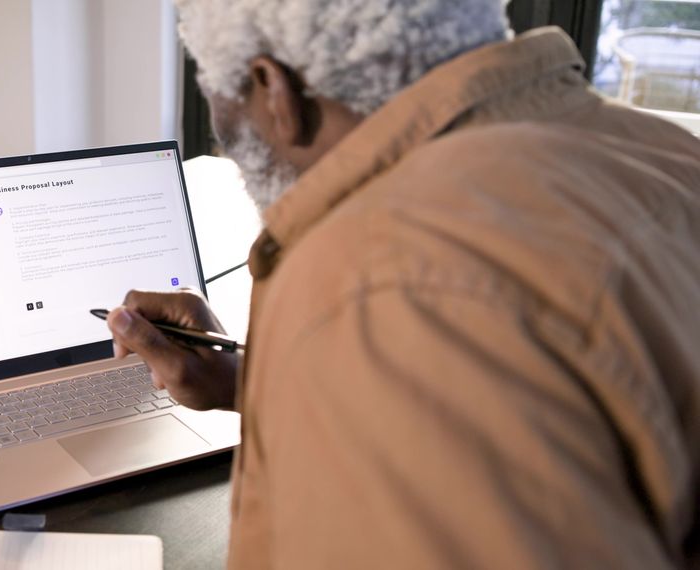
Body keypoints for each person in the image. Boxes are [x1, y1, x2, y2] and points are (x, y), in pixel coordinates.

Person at [105, 1, 700, 567]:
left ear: (274, 89)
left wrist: (337, 341)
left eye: (215, 88)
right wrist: (262, 381)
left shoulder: (380, 284)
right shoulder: (662, 153)